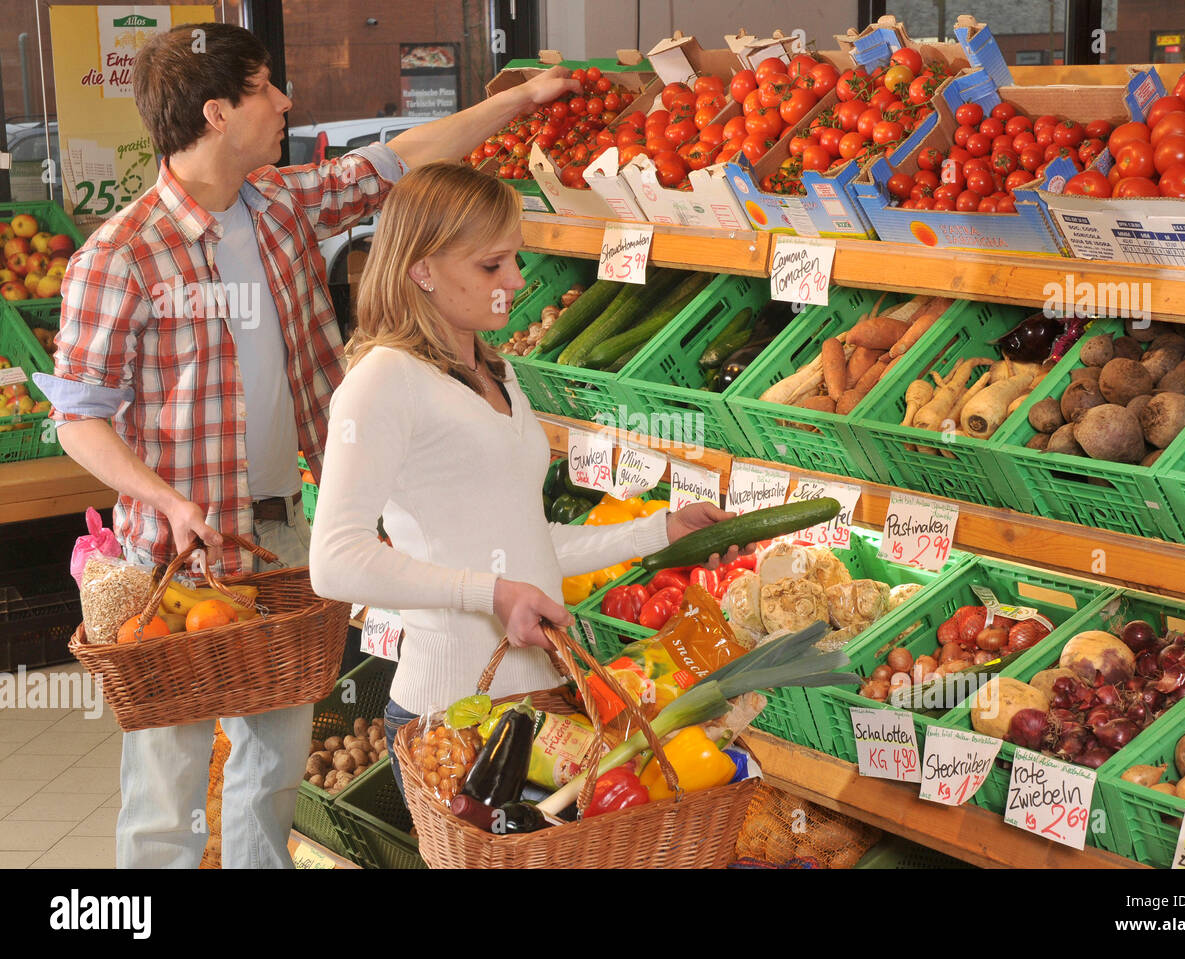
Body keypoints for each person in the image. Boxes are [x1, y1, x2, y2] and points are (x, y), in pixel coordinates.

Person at [35, 21, 580, 869]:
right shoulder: (123, 255)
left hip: (285, 538)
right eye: (264, 88)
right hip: (172, 560)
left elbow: (403, 156)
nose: (285, 101)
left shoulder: (283, 203)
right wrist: (167, 500)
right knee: (166, 782)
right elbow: (78, 417)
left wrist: (517, 100)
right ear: (217, 112)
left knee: (273, 768)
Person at [308, 162, 748, 804]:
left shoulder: (496, 371)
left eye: (515, 259)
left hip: (537, 707)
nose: (516, 281)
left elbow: (525, 542)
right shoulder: (383, 381)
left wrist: (662, 530)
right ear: (421, 269)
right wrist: (491, 593)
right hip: (453, 715)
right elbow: (335, 562)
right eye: (493, 266)